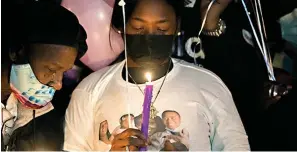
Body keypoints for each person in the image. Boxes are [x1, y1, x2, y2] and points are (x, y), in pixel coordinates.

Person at [63, 0, 249, 151]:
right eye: (138, 28)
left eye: (161, 30)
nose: (150, 36)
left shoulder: (207, 83)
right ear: (123, 27)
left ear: (177, 27)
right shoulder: (90, 90)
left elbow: (236, 146)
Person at [1, 2, 87, 150]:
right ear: (16, 52)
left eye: (64, 72)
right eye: (52, 69)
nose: (59, 84)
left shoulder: (44, 119)